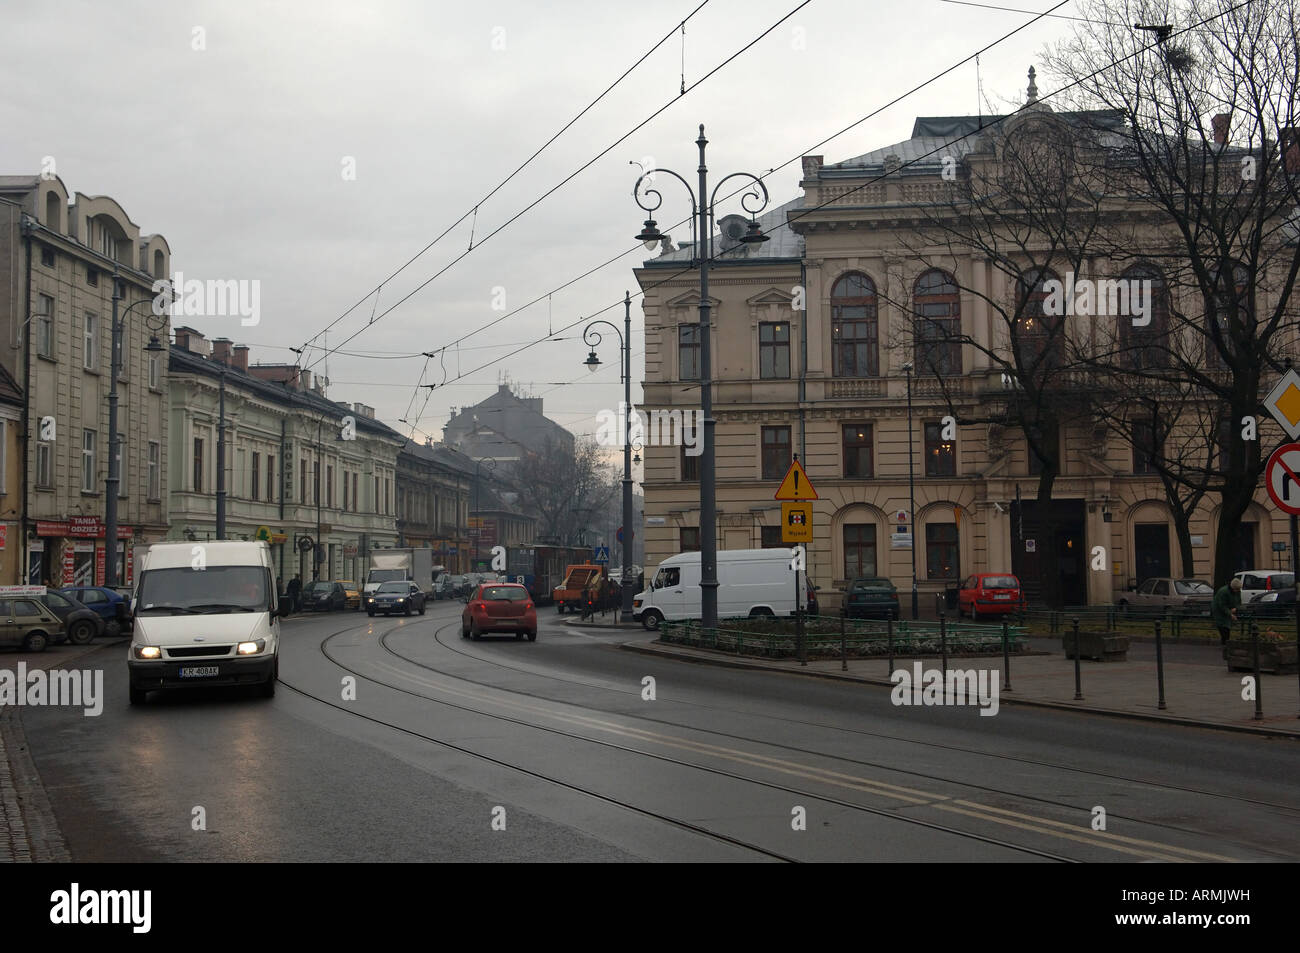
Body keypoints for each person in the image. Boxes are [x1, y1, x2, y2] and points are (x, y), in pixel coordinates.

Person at [1211, 577, 1242, 647]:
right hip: (1218, 611)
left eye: (1239, 589)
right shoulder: (1223, 592)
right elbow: (1222, 605)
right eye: (1237, 589)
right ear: (1233, 587)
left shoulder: (1237, 591)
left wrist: (1236, 608)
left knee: (1227, 627)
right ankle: (1225, 644)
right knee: (1223, 627)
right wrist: (1230, 614)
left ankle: (1225, 644)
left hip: (1228, 610)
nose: (1238, 591)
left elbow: (1239, 602)